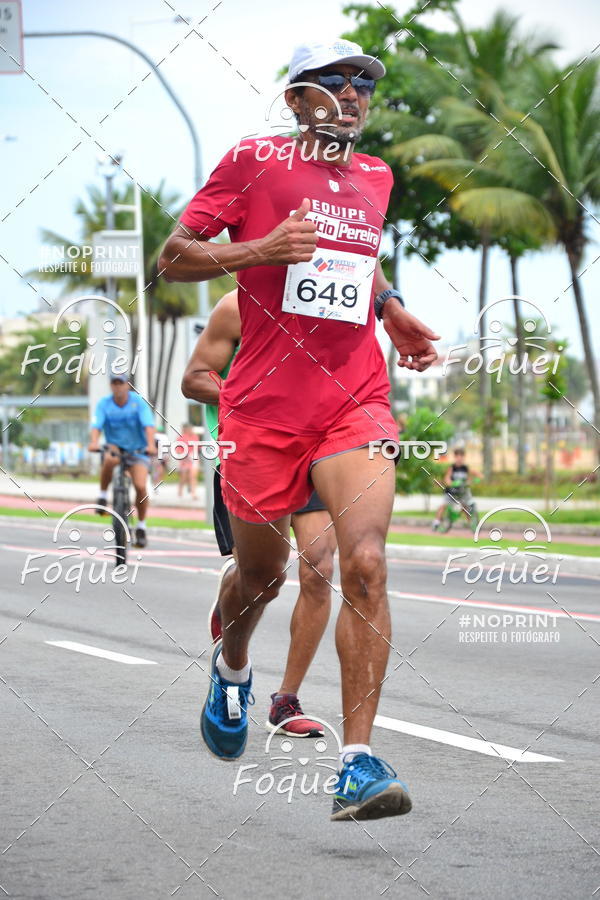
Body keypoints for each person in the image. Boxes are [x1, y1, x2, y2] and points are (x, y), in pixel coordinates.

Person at [160, 38, 439, 821]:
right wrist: (260, 249)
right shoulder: (252, 161)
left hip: (353, 398)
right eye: (335, 83)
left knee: (366, 562)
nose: (353, 94)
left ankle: (358, 763)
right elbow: (172, 257)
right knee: (260, 578)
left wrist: (391, 312)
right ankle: (234, 667)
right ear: (295, 98)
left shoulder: (376, 176)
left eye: (364, 84)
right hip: (262, 411)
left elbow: (358, 259)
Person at [182, 288, 336, 738]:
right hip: (249, 455)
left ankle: (286, 702)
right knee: (263, 581)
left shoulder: (328, 306)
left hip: (313, 452)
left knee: (320, 568)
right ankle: (233, 664)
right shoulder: (237, 306)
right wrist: (257, 396)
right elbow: (193, 380)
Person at [88, 374, 156, 548]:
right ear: (111, 386)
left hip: (138, 449)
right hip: (115, 446)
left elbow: (148, 425)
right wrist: (94, 442)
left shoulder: (138, 403)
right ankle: (103, 497)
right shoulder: (104, 404)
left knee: (140, 486)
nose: (118, 387)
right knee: (109, 459)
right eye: (114, 383)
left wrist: (150, 445)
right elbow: (96, 426)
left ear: (128, 386)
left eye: (121, 383)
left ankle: (141, 526)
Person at [432, 447, 481, 530]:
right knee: (443, 505)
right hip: (452, 491)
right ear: (455, 457)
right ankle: (436, 522)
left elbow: (475, 475)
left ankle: (472, 524)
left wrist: (475, 479)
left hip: (461, 491)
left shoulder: (466, 468)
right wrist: (451, 483)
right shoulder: (452, 468)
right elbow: (447, 478)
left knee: (465, 507)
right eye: (458, 456)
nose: (460, 458)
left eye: (461, 456)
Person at [177, 424, 199, 501]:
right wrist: (183, 457)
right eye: (189, 429)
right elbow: (178, 450)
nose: (191, 430)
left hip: (193, 458)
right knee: (184, 477)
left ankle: (193, 494)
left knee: (193, 476)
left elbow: (197, 447)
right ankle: (180, 490)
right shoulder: (180, 438)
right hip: (184, 459)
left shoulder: (195, 437)